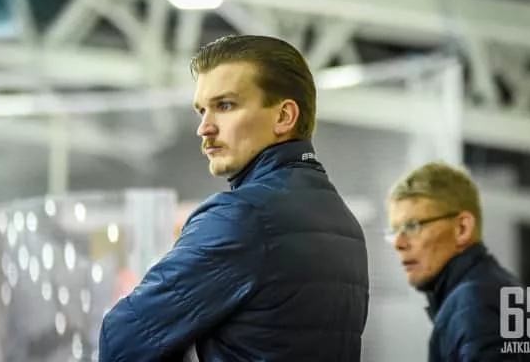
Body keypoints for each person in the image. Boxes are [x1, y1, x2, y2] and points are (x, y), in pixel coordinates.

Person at [99, 34, 370, 361]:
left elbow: (121, 341)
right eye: (202, 110)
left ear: (284, 117)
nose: (204, 128)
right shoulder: (345, 225)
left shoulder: (241, 217)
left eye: (224, 106)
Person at [386, 161, 530, 361]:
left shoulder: (473, 301)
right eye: (394, 231)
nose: (398, 243)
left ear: (462, 229)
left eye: (412, 226)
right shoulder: (490, 288)